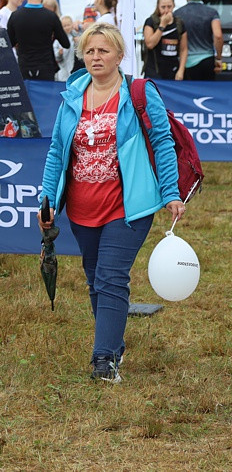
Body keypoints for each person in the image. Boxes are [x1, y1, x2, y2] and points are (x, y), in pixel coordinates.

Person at [38, 22, 185, 383]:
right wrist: (48, 199)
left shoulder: (138, 92)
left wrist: (170, 192)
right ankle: (114, 344)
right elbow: (58, 151)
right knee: (94, 281)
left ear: (120, 55)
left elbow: (163, 143)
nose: (95, 57)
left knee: (110, 277)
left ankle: (104, 360)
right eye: (89, 51)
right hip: (82, 207)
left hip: (128, 205)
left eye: (103, 50)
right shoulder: (72, 95)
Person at [7, 0, 70, 81]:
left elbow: (9, 43)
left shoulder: (15, 16)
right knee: (46, 97)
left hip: (24, 68)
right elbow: (65, 43)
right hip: (46, 68)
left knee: (26, 97)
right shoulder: (51, 16)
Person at [173, 0, 223, 81]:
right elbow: (218, 35)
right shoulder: (212, 12)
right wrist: (218, 58)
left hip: (185, 62)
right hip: (207, 60)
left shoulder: (177, 14)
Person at [142, 0, 188, 80]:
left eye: (169, 7)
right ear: (158, 7)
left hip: (173, 71)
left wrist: (181, 70)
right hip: (154, 71)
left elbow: (184, 49)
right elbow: (150, 44)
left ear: (174, 6)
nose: (166, 10)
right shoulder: (151, 22)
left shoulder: (179, 23)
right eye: (163, 7)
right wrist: (162, 25)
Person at [54, 15, 79, 82]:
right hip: (63, 70)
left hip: (74, 68)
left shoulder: (77, 37)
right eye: (64, 26)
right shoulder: (58, 40)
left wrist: (77, 43)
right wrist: (59, 53)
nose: (67, 27)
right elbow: (55, 56)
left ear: (72, 25)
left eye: (68, 25)